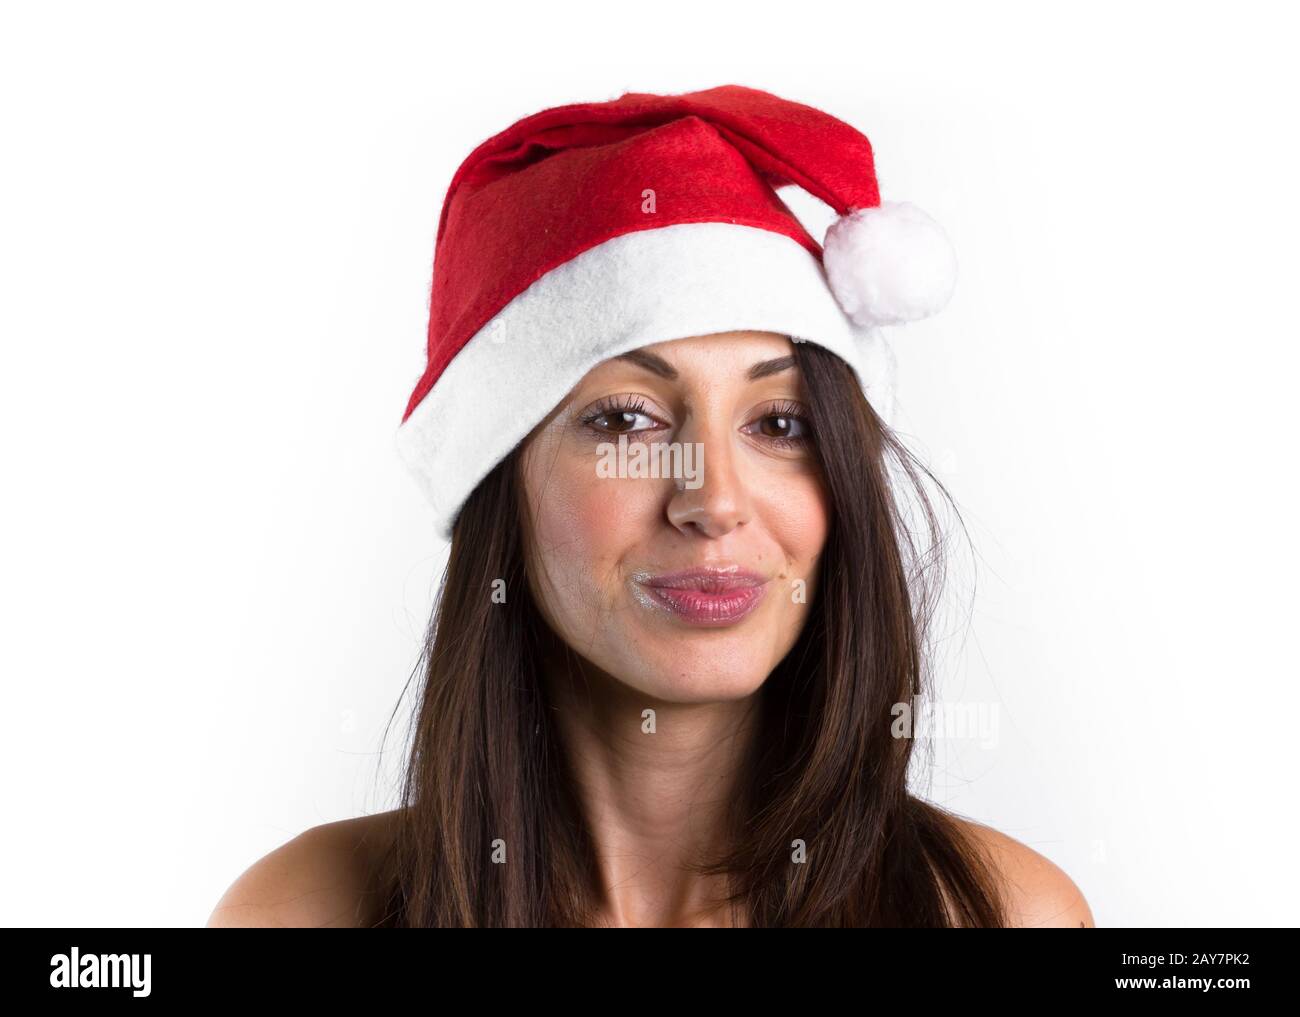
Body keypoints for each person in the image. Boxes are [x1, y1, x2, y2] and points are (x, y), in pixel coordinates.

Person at [207, 85, 1094, 928]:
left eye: (780, 422)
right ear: (499, 479)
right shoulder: (302, 911)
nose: (712, 500)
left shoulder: (1000, 915)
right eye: (627, 419)